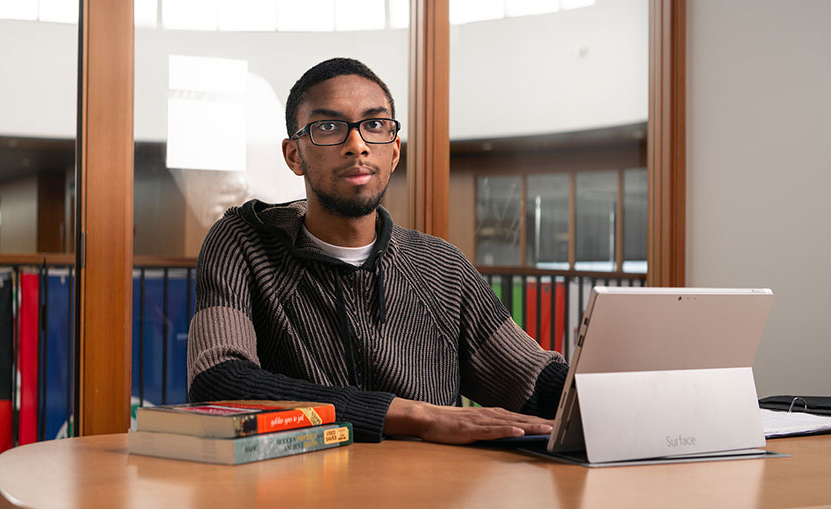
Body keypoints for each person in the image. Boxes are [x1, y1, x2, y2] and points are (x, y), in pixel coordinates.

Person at [186, 57, 567, 444]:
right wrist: (415, 415)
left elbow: (533, 381)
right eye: (329, 127)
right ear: (294, 155)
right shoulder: (243, 241)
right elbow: (217, 379)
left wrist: (609, 392)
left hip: (427, 493)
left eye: (374, 125)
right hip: (297, 492)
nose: (357, 145)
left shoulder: (442, 267)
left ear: (394, 152)